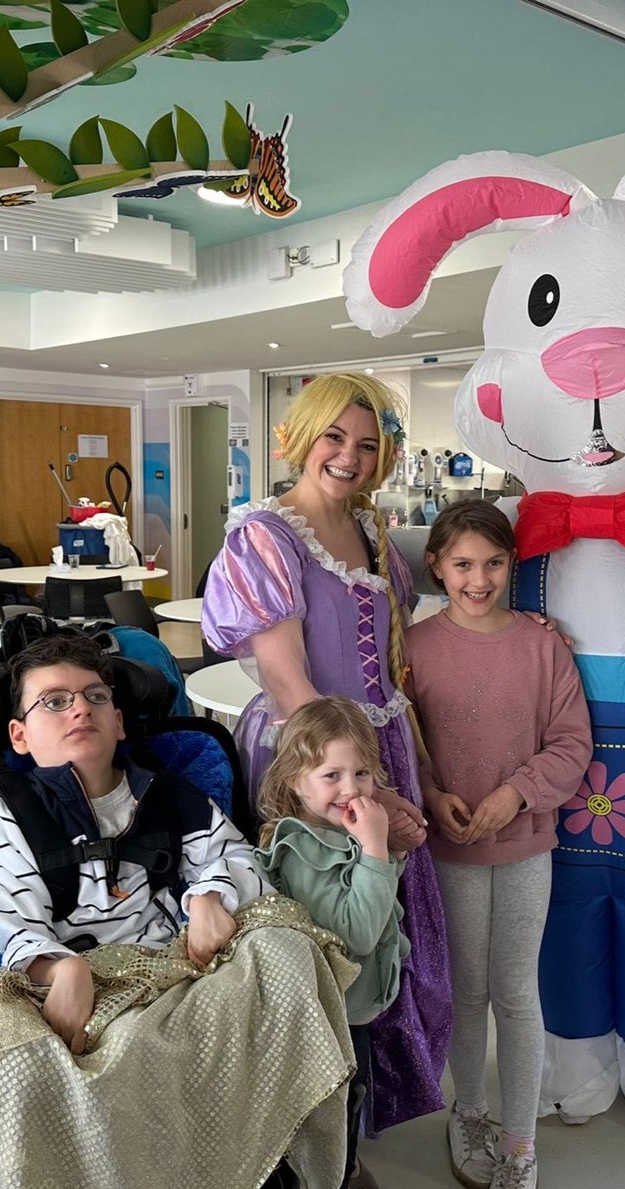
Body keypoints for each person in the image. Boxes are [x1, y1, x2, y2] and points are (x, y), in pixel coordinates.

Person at [0, 634, 357, 1189]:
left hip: (178, 966)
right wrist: (58, 969)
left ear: (118, 721)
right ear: (19, 734)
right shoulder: (13, 811)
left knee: (286, 945)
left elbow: (234, 857)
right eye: (54, 701)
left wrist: (209, 898)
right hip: (83, 980)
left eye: (94, 696)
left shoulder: (168, 795)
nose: (80, 707)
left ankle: (298, 1168)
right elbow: (5, 904)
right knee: (12, 1062)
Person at [202, 372, 451, 1132]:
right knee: (329, 936)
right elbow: (288, 684)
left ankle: (381, 1100)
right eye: (334, 437)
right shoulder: (265, 538)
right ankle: (317, 1127)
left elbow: (398, 677)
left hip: (381, 754)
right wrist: (357, 795)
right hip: (317, 765)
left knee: (389, 932)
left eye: (368, 444)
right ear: (302, 437)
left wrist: (422, 779)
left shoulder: (377, 536)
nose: (348, 456)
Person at [405, 500, 593, 1189]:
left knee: (516, 993)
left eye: (492, 563)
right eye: (462, 564)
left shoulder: (544, 647)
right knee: (466, 991)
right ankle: (470, 1113)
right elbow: (407, 747)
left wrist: (515, 794)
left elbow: (573, 744)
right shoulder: (416, 651)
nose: (478, 578)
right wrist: (430, 794)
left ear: (513, 564)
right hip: (448, 850)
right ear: (437, 567)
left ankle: (520, 1142)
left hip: (524, 847)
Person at [255, 696, 410, 1189]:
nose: (351, 789)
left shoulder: (341, 832)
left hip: (356, 1007)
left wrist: (384, 850)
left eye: (362, 773)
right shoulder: (300, 849)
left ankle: (343, 1164)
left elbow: (380, 909)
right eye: (332, 776)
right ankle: (331, 1181)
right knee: (333, 1103)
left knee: (353, 1095)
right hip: (328, 1012)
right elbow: (356, 935)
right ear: (293, 783)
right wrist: (376, 850)